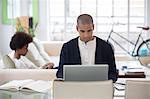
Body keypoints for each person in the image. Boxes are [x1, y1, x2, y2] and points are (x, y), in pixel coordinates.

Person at [56, 14, 118, 82]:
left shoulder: (106, 47)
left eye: (89, 31)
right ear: (77, 28)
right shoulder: (67, 47)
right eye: (82, 31)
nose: (86, 35)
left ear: (93, 27)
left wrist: (106, 81)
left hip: (99, 87)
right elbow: (60, 73)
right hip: (75, 86)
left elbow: (113, 74)